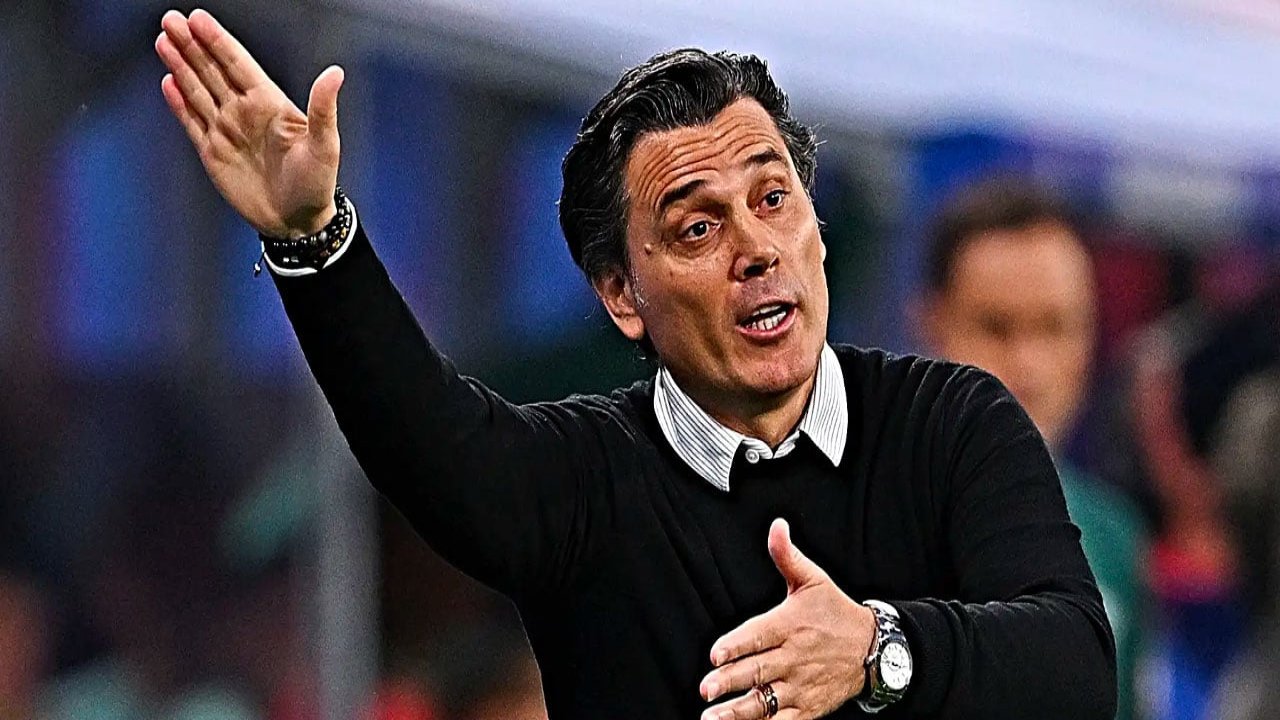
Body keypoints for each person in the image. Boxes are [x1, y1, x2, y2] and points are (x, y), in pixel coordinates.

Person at [154, 9, 1116, 719]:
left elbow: (1076, 663)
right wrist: (313, 237)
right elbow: (429, 443)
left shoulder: (954, 422)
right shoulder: (584, 481)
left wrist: (876, 647)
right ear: (622, 295)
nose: (757, 248)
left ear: (818, 231)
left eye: (774, 199)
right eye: (698, 227)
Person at [915, 178, 1148, 720]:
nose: (1028, 365)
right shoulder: (859, 514)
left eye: (1055, 327)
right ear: (932, 325)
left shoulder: (1114, 541)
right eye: (996, 328)